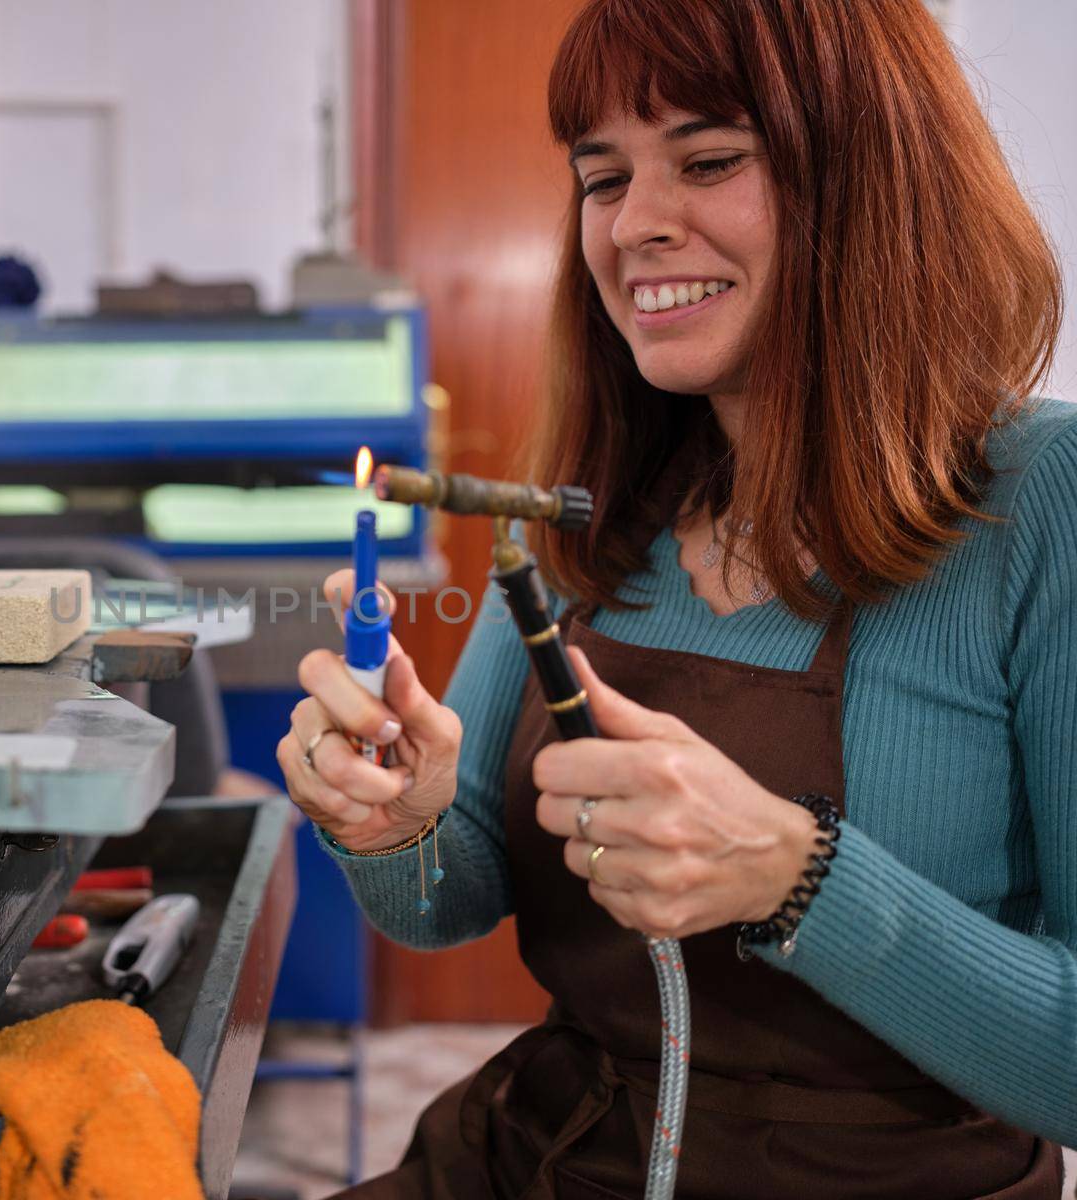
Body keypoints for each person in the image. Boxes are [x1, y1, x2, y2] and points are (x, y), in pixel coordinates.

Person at [276, 1, 1075, 1196]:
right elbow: (451, 898)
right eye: (601, 179)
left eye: (708, 161)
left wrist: (798, 874)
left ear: (871, 179)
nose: (635, 226)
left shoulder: (1040, 499)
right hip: (540, 1153)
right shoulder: (591, 509)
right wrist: (394, 819)